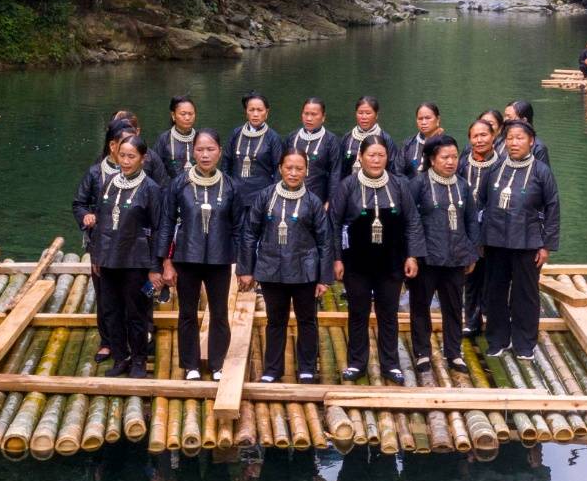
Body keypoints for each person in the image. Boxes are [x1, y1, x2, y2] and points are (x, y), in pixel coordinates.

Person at [238, 149, 331, 384]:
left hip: (305, 271)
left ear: (306, 171)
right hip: (271, 269)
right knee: (275, 320)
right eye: (288, 167)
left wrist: (323, 278)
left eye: (299, 168)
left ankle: (308, 368)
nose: (293, 173)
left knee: (307, 320)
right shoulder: (265, 196)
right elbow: (249, 233)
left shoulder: (313, 201)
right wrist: (246, 269)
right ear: (280, 168)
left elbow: (325, 241)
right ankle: (272, 369)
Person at [155, 130, 236, 380]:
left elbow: (240, 227)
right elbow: (167, 223)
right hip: (186, 257)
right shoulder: (179, 184)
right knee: (187, 312)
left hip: (219, 258)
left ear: (220, 152)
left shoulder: (231, 185)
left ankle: (217, 363)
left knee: (220, 312)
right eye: (200, 149)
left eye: (210, 149)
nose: (205, 154)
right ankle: (190, 364)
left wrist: (244, 264)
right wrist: (166, 261)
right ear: (193, 152)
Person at [330, 135, 409, 382]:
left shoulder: (399, 185)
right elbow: (334, 223)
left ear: (388, 157)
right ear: (361, 157)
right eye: (371, 155)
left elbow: (413, 222)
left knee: (388, 313)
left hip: (391, 261)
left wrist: (413, 256)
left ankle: (390, 364)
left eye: (381, 155)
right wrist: (337, 258)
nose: (376, 160)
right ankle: (356, 362)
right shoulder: (347, 185)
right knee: (358, 312)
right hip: (357, 262)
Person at [86, 132, 164, 378]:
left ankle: (139, 360)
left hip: (137, 262)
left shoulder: (150, 188)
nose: (126, 161)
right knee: (111, 310)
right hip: (109, 261)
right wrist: (97, 256)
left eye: (132, 156)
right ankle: (121, 357)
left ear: (143, 158)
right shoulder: (108, 182)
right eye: (122, 155)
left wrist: (155, 267)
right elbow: (100, 223)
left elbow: (159, 228)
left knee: (137, 312)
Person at [482, 119, 560, 360]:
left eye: (520, 138)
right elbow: (483, 203)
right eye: (510, 138)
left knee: (525, 294)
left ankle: (524, 343)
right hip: (495, 241)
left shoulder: (541, 171)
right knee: (494, 291)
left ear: (531, 142)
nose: (514, 143)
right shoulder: (495, 168)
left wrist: (546, 244)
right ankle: (497, 340)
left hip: (527, 241)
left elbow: (553, 208)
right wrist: (480, 239)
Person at [406, 134, 479, 378]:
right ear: (431, 159)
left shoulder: (462, 186)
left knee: (453, 306)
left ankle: (453, 352)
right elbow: (410, 221)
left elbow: (471, 221)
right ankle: (422, 352)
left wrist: (472, 254)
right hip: (426, 258)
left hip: (456, 256)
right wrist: (412, 255)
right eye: (445, 157)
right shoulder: (418, 184)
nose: (451, 162)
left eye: (454, 156)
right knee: (420, 306)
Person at [459, 117, 501, 342]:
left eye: (484, 135)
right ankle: (471, 321)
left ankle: (490, 318)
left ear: (493, 136)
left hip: (493, 231)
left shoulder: (501, 164)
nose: (479, 140)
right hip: (467, 231)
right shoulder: (463, 163)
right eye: (475, 136)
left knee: (492, 277)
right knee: (470, 276)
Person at [226, 91, 284, 208]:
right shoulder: (236, 133)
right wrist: (226, 189)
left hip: (262, 196)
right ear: (246, 112)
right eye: (251, 110)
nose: (255, 114)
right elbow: (226, 163)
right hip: (236, 194)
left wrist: (272, 196)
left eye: (259, 110)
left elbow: (279, 170)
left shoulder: (273, 138)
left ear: (267, 112)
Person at [290, 96, 341, 200]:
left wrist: (330, 201)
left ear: (323, 117)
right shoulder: (292, 138)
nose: (309, 118)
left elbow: (335, 174)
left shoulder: (331, 141)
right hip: (291, 194)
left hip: (319, 197)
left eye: (314, 114)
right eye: (306, 113)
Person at [339, 95, 386, 183]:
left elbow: (392, 169)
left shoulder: (384, 139)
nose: (364, 117)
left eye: (368, 113)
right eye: (360, 113)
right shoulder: (347, 138)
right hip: (350, 187)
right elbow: (339, 169)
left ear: (376, 115)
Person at [153, 95, 201, 179]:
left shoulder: (200, 138)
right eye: (183, 114)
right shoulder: (164, 139)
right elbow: (155, 168)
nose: (187, 117)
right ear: (173, 115)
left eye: (191, 114)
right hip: (170, 188)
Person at [399, 103, 445, 178]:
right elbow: (398, 173)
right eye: (420, 119)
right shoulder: (408, 144)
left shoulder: (447, 145)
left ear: (438, 119)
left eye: (428, 118)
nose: (423, 122)